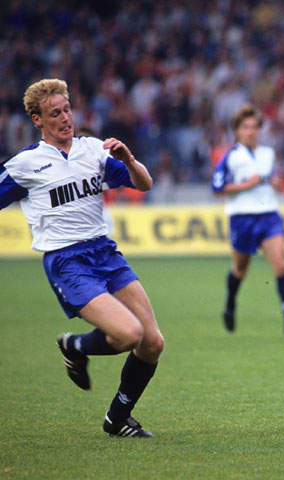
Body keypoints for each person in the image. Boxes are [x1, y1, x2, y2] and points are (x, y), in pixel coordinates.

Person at [0, 79, 164, 437]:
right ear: (37, 119)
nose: (64, 118)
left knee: (152, 342)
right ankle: (75, 345)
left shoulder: (93, 149)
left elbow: (145, 183)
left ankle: (117, 419)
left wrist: (129, 160)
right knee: (128, 334)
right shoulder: (26, 164)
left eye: (67, 109)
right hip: (67, 261)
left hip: (105, 252)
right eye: (54, 113)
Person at [212, 104, 284, 336]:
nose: (251, 131)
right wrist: (245, 185)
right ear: (237, 131)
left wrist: (276, 184)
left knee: (281, 265)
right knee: (240, 269)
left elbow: (276, 180)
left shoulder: (268, 154)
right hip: (241, 217)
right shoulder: (230, 156)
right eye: (245, 127)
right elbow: (217, 187)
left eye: (254, 127)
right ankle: (230, 304)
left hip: (269, 214)